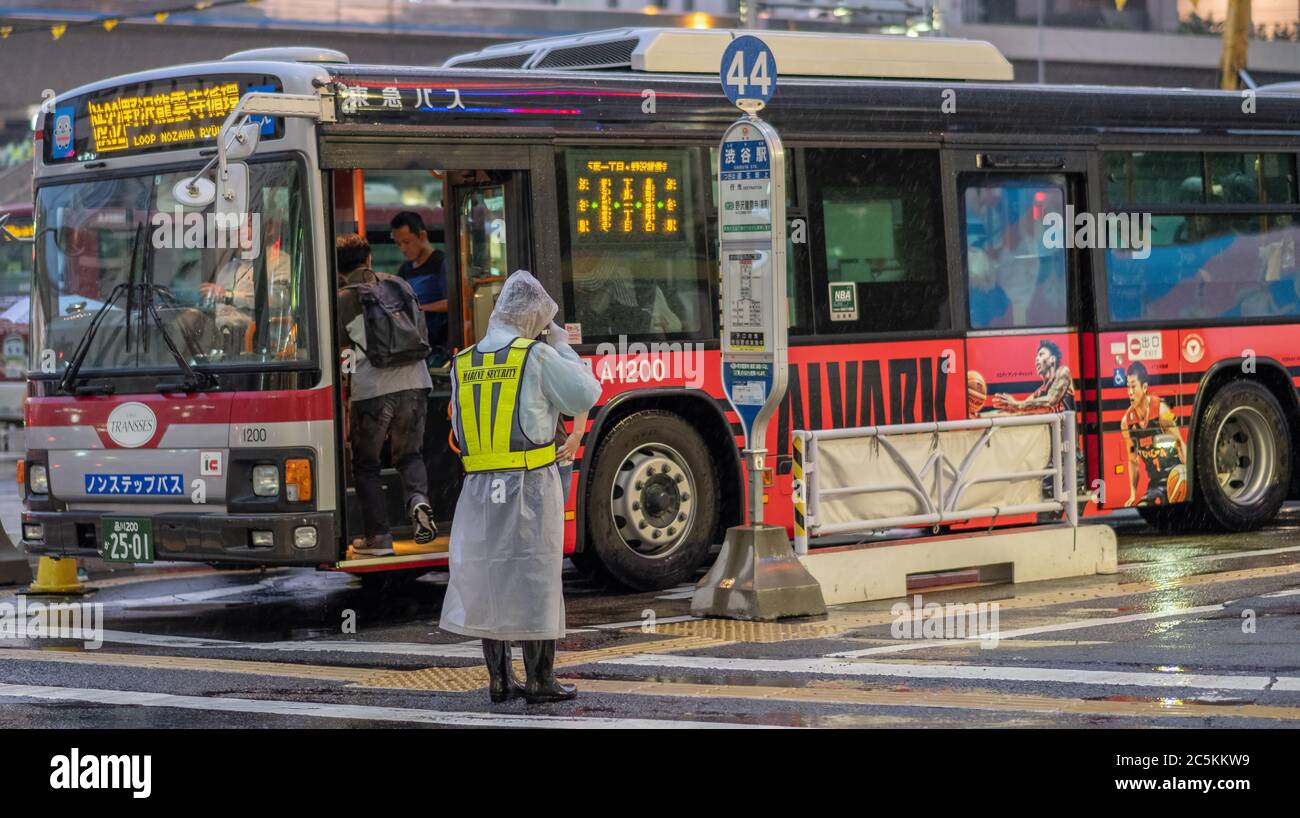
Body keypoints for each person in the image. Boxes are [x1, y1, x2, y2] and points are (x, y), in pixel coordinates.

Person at [442, 270, 601, 704]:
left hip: (478, 491)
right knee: (536, 576)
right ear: (533, 316)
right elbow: (584, 395)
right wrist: (563, 346)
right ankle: (539, 681)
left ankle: (498, 680)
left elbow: (459, 424)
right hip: (529, 487)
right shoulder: (535, 356)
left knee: (490, 575)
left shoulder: (463, 361)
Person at [335, 233, 437, 555]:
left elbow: (345, 354)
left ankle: (378, 538)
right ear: (369, 260)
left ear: (338, 268)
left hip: (372, 389)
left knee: (365, 463)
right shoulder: (399, 284)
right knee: (410, 455)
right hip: (416, 380)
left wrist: (347, 393)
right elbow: (421, 330)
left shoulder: (342, 298)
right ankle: (418, 501)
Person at [1120, 361, 1186, 508]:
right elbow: (1133, 461)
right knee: (1143, 506)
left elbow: (1181, 443)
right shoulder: (1126, 423)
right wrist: (1132, 493)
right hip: (1155, 483)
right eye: (1127, 387)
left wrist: (1190, 476)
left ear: (1144, 387)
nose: (1130, 392)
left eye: (1133, 386)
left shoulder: (1163, 411)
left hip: (1176, 475)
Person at [391, 211, 448, 351]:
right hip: (414, 342)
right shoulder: (405, 270)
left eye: (406, 242)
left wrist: (419, 309)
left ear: (422, 236)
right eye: (398, 244)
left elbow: (452, 303)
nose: (403, 249)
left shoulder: (442, 263)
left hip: (439, 341)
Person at [991, 339, 1074, 415]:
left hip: (1069, 430)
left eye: (1041, 355)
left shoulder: (1063, 371)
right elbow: (1018, 409)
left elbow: (1050, 400)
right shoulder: (1039, 392)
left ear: (1052, 359)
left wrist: (1017, 405)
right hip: (1056, 430)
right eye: (1036, 356)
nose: (1037, 359)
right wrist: (980, 416)